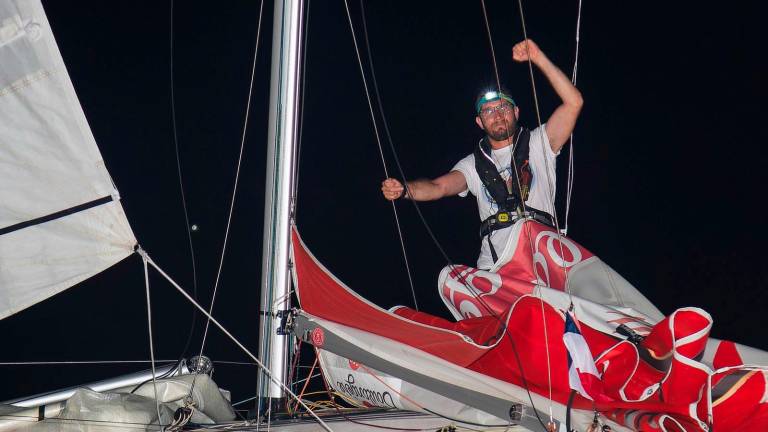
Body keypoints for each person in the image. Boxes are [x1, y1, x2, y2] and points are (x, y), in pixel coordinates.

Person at [381, 39, 583, 269]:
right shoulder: (472, 164)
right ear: (479, 122)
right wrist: (404, 190)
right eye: (488, 111)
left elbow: (573, 102)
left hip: (544, 260)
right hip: (496, 269)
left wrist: (538, 58)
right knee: (452, 274)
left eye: (503, 107)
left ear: (516, 112)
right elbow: (439, 187)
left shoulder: (540, 143)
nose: (497, 115)